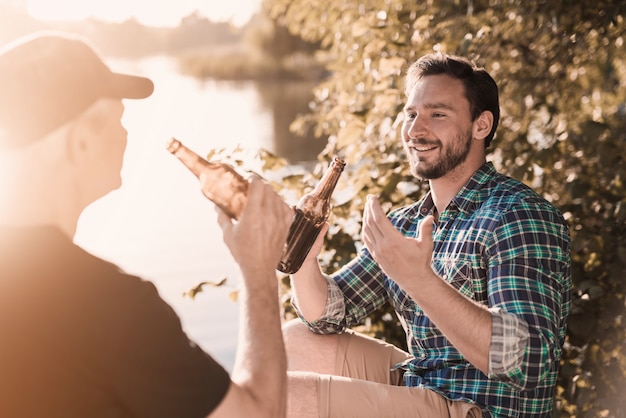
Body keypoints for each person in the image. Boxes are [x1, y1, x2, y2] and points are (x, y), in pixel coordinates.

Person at [0, 31, 294, 418]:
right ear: (82, 141)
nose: (125, 133)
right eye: (117, 118)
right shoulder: (106, 305)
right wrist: (258, 270)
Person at [284, 52, 572, 418]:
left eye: (437, 114)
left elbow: (527, 365)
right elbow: (325, 317)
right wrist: (304, 260)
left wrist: (418, 279)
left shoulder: (518, 215)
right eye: (411, 114)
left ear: (481, 125)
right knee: (293, 343)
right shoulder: (407, 222)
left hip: (483, 409)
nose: (416, 130)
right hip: (429, 386)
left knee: (290, 397)